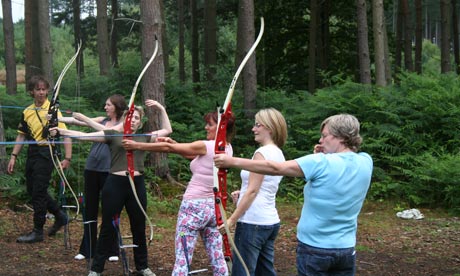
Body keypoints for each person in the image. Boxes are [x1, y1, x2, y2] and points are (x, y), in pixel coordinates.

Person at [214, 114, 373, 276]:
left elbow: (276, 168)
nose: (320, 140)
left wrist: (231, 161)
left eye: (325, 136)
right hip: (346, 249)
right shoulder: (366, 161)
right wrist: (325, 155)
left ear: (340, 137)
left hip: (314, 249)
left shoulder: (319, 162)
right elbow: (341, 166)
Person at [54, 101, 172, 276]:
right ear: (124, 119)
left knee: (138, 226)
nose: (133, 121)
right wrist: (60, 131)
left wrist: (161, 108)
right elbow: (83, 135)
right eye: (130, 117)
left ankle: (142, 266)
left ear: (140, 123)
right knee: (108, 227)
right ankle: (96, 269)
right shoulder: (113, 136)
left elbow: (167, 130)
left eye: (137, 118)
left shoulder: (144, 137)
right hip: (115, 184)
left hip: (136, 185)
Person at [122, 111, 235, 276]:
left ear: (221, 127)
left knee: (183, 258)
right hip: (213, 209)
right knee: (217, 256)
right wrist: (173, 142)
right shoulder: (227, 148)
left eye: (210, 124)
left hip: (193, 209)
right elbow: (193, 155)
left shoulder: (206, 145)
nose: (206, 127)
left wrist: (136, 145)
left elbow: (168, 148)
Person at [59, 94, 129, 262]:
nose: (105, 108)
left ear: (117, 107)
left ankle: (112, 249)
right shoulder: (102, 119)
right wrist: (55, 117)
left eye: (108, 105)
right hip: (91, 169)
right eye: (105, 105)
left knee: (110, 210)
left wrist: (84, 118)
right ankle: (87, 248)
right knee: (89, 209)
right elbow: (77, 122)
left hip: (110, 171)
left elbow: (102, 130)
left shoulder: (123, 124)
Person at [7, 75, 72, 243]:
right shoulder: (27, 111)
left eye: (44, 89)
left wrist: (67, 157)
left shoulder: (53, 110)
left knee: (38, 191)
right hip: (33, 152)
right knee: (33, 189)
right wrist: (13, 156)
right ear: (31, 91)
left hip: (47, 152)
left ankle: (38, 231)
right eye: (38, 89)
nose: (41, 92)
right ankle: (60, 216)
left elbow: (66, 135)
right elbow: (21, 136)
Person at [222, 108, 287, 276]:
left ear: (270, 128)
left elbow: (253, 191)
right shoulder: (278, 153)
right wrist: (241, 194)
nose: (253, 129)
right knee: (265, 272)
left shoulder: (262, 153)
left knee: (242, 271)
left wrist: (232, 219)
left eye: (258, 125)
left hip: (253, 222)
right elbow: (261, 188)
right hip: (270, 222)